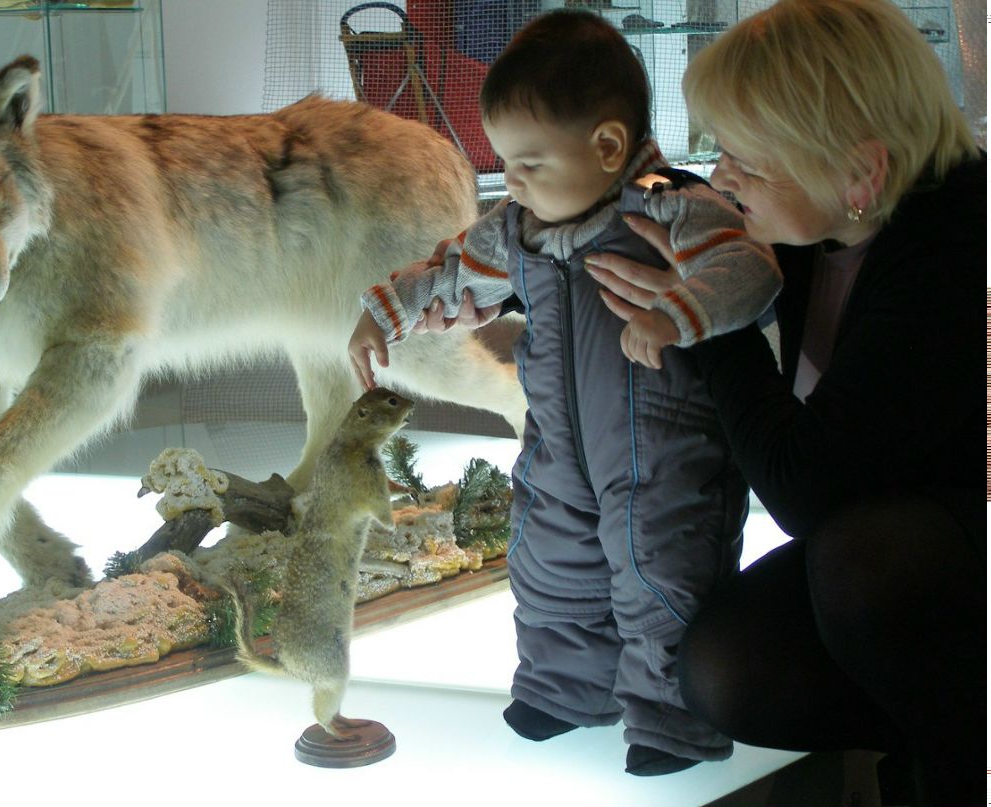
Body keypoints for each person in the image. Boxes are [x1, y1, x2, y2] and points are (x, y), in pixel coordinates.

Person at [348, 9, 781, 776]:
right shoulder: (518, 228)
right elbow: (451, 273)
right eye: (507, 161)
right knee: (549, 561)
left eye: (529, 161)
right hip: (555, 443)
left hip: (662, 450)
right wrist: (386, 310)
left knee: (661, 568)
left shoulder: (671, 205)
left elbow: (751, 275)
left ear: (607, 146)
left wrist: (679, 311)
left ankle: (670, 719)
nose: (509, 179)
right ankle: (564, 687)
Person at [581, 1, 985, 803]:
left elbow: (807, 492)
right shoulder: (833, 218)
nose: (725, 175)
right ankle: (931, 736)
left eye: (747, 158)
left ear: (860, 171)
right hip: (906, 556)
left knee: (865, 562)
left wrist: (710, 316)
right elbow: (683, 191)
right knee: (727, 663)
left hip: (935, 550)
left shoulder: (950, 238)